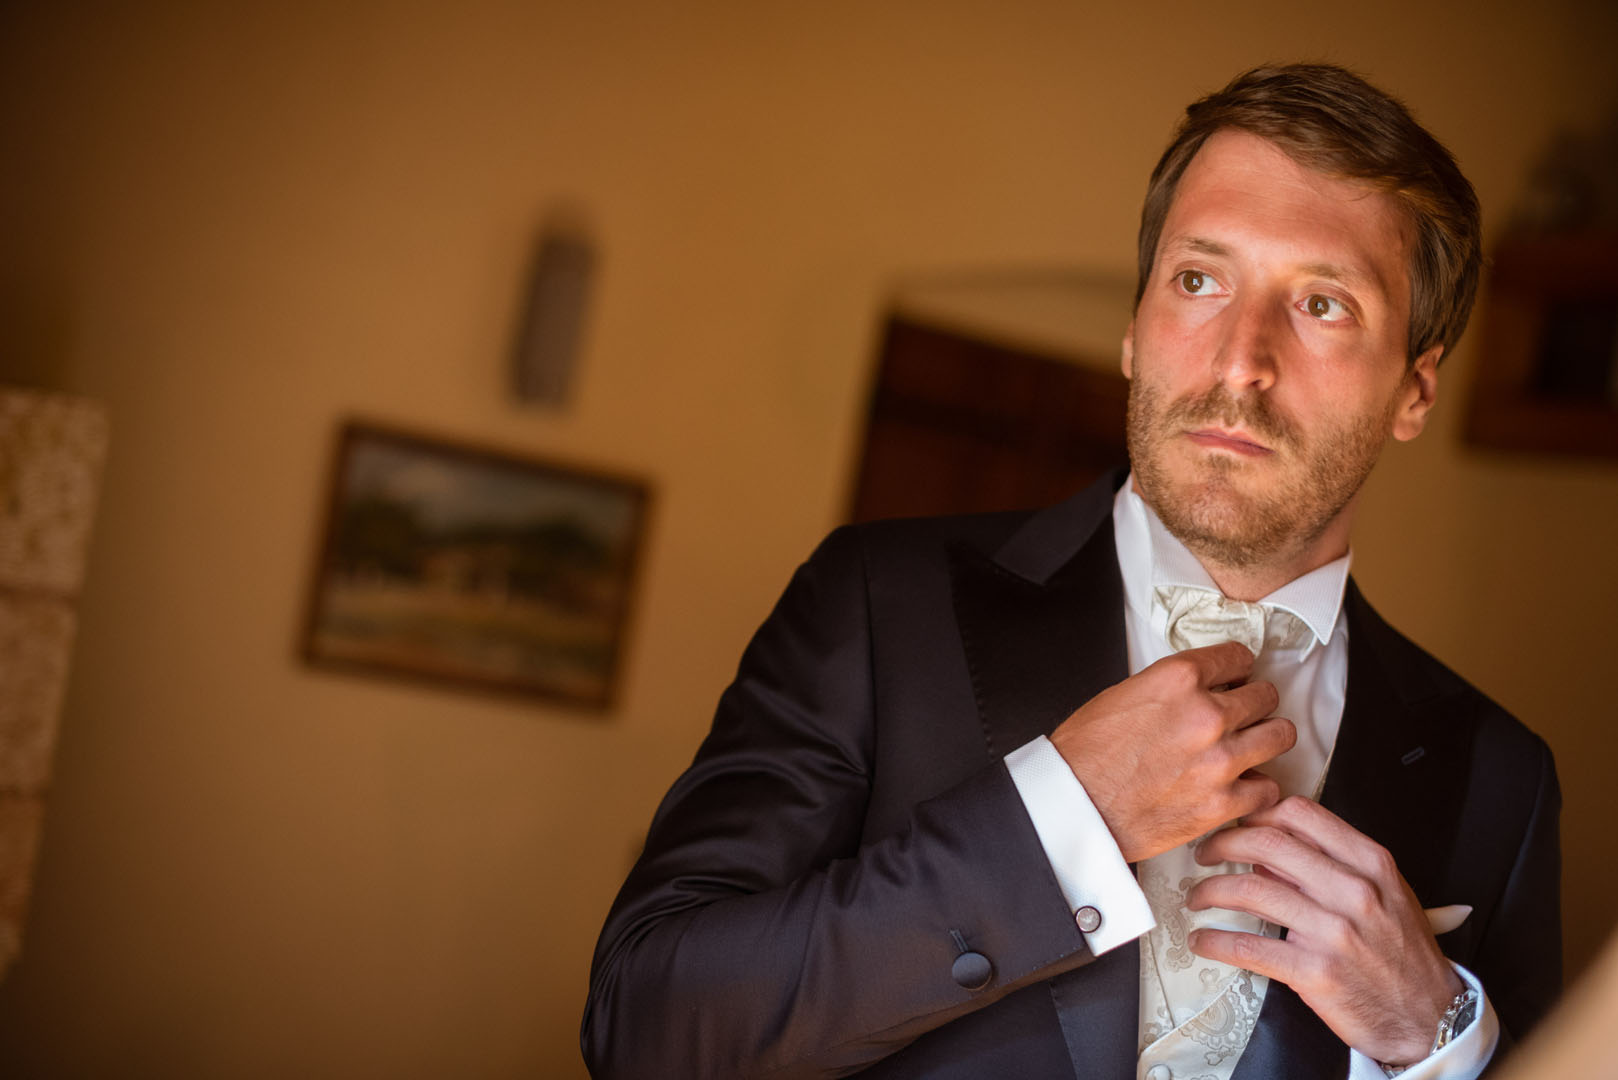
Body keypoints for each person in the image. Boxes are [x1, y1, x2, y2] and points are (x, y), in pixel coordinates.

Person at [580, 63, 1561, 1080]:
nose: (1240, 361)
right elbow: (645, 1025)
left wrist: (1439, 1036)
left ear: (1414, 389)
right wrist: (1060, 819)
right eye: (1198, 280)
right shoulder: (877, 604)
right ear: (1134, 328)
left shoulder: (1500, 776)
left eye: (1322, 303)